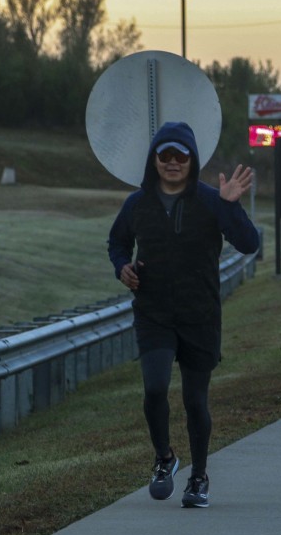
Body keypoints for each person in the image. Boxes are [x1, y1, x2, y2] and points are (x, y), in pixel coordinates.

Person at [108, 120, 260, 507]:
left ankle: (199, 477)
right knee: (155, 387)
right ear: (154, 160)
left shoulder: (211, 200)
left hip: (200, 314)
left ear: (192, 160)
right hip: (154, 312)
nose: (172, 162)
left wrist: (231, 205)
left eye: (181, 155)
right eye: (165, 155)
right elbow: (118, 243)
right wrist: (122, 266)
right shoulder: (136, 204)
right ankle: (164, 458)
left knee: (195, 401)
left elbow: (248, 242)